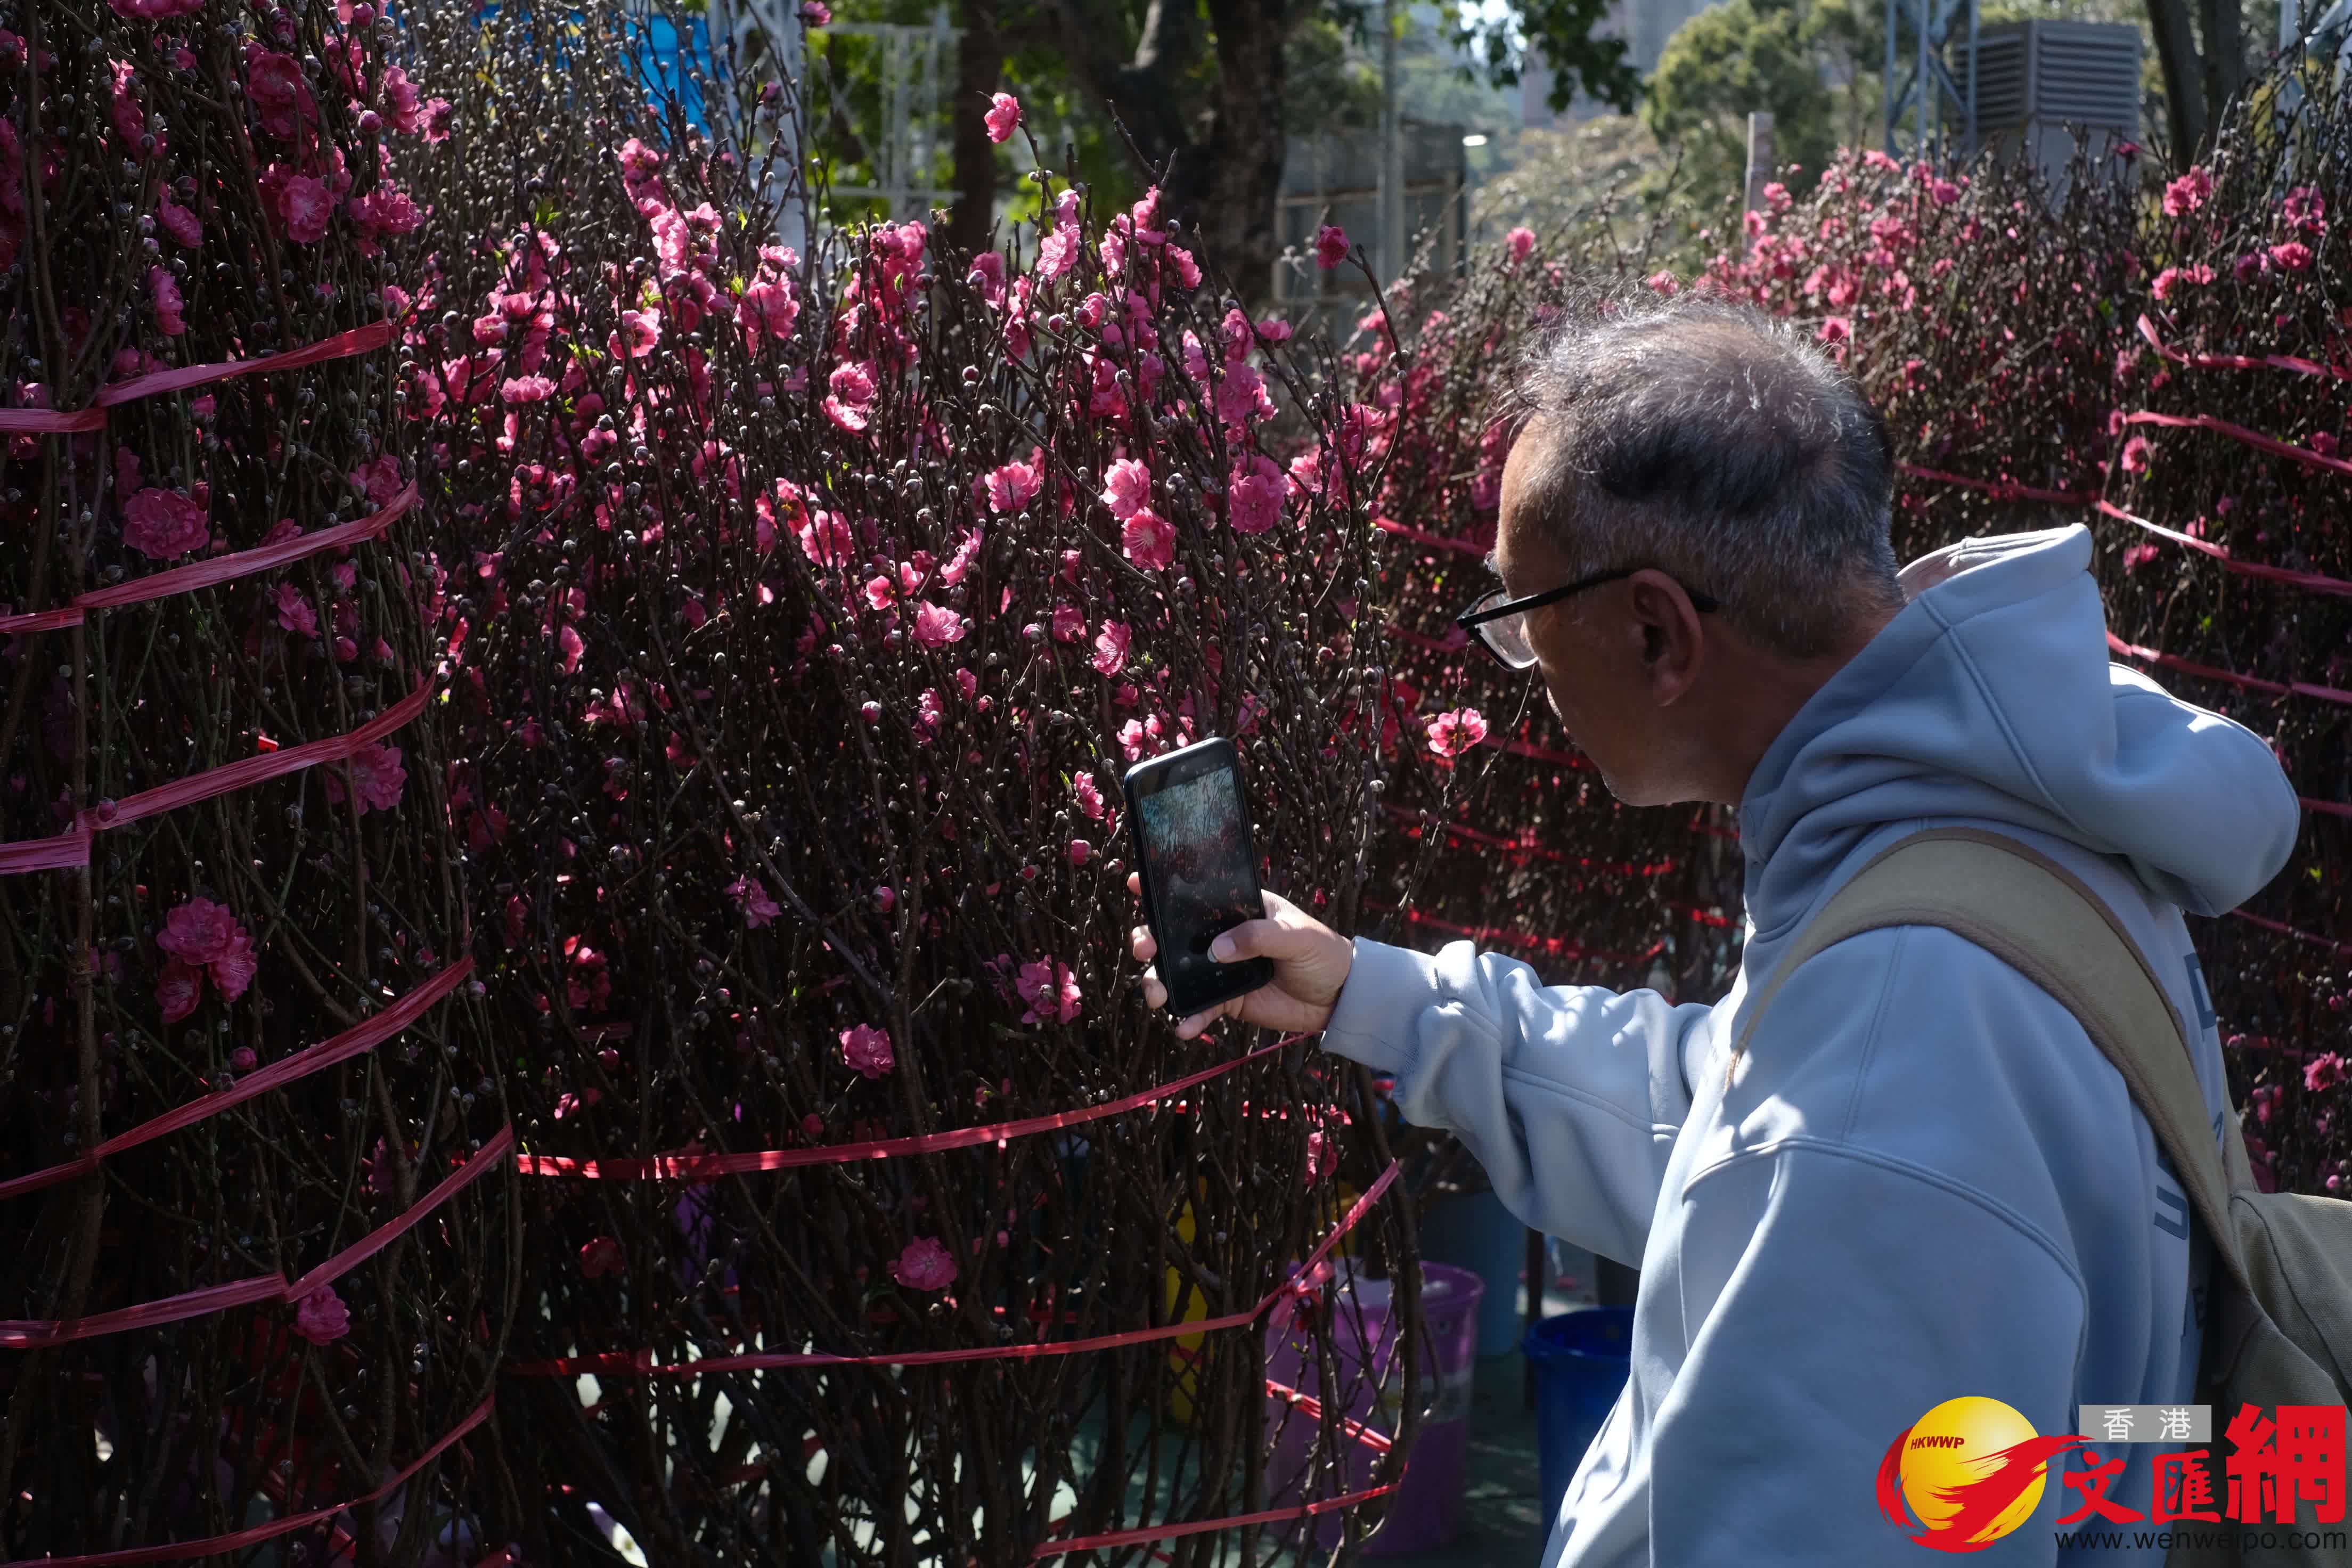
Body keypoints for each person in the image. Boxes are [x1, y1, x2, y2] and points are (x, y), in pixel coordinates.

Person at [1128, 291, 2300, 1565]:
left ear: (1656, 630)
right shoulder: (2013, 809)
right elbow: (1725, 1123)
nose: (1526, 669)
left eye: (1524, 620)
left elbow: (1822, 1168)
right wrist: (1376, 995)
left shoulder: (1888, 1054)